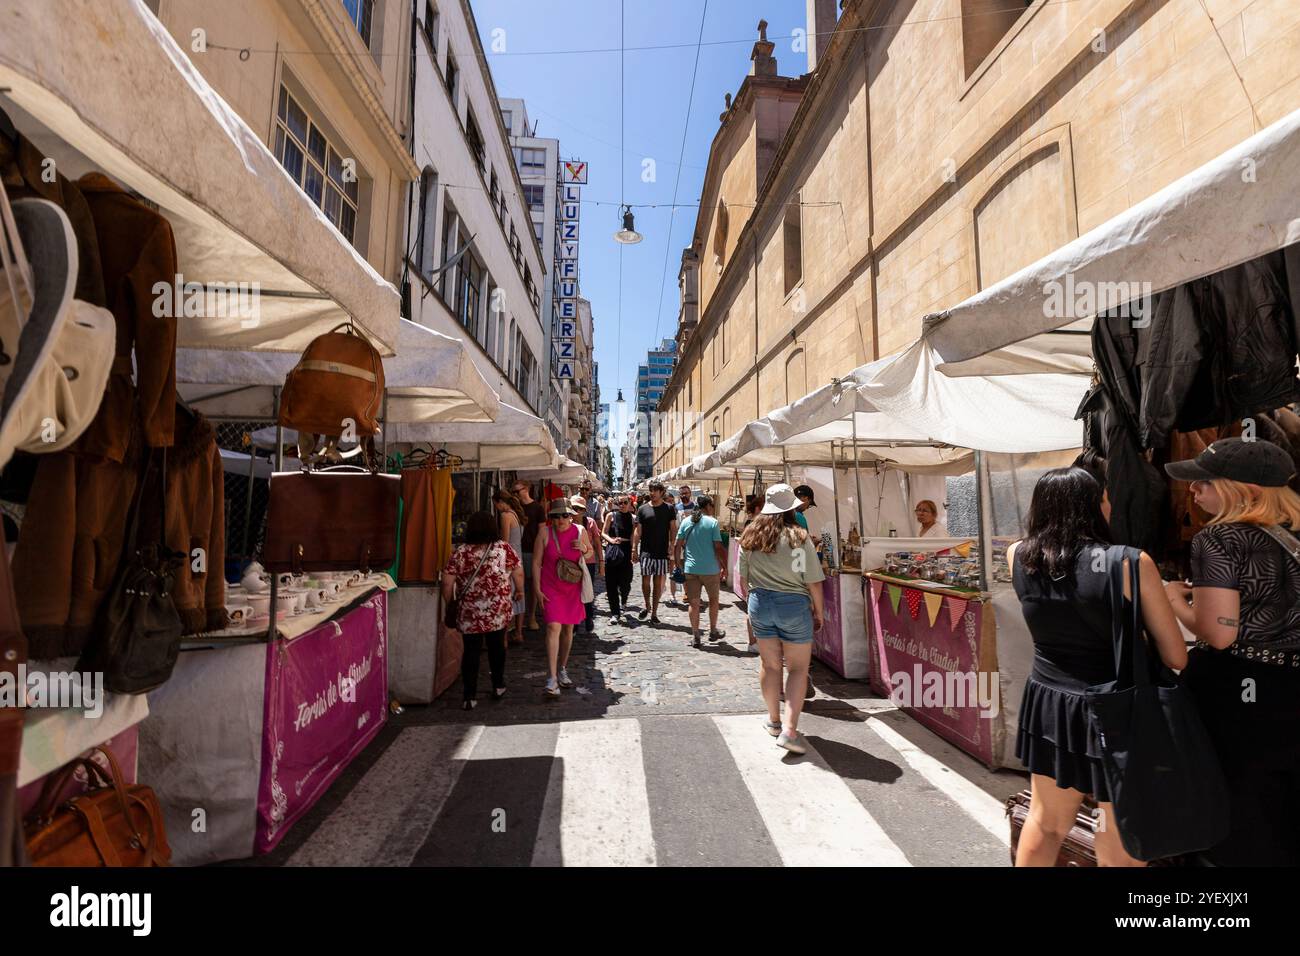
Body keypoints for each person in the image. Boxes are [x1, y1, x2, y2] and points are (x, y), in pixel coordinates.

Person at [1008, 466, 1187, 867]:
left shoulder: (1017, 555)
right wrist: (1173, 600)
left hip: (1051, 703)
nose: (1109, 504)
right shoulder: (1130, 563)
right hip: (1114, 710)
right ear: (1092, 506)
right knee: (1113, 822)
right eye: (1104, 497)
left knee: (1047, 821)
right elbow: (1177, 656)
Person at [1162, 438, 1300, 865]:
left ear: (1246, 490)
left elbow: (1220, 634)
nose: (1193, 490)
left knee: (1236, 807)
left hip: (1240, 688)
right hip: (1290, 686)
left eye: (1205, 482)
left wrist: (1175, 602)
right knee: (1285, 807)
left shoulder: (1220, 538)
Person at [738, 484, 826, 755]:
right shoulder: (799, 537)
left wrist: (753, 601)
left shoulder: (751, 534)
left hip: (760, 602)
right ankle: (789, 729)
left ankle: (774, 721)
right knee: (798, 668)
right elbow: (811, 580)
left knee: (770, 664)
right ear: (791, 508)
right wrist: (819, 612)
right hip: (793, 604)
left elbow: (743, 579)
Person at [442, 511, 523, 710]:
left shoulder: (461, 552)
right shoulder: (503, 549)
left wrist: (449, 601)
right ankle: (498, 684)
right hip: (497, 611)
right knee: (497, 649)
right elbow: (518, 573)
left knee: (471, 652)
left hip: (469, 612)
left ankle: (469, 696)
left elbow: (447, 583)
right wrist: (520, 591)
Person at [533, 499, 594, 697]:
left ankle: (562, 668)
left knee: (568, 629)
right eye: (556, 516)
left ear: (571, 515)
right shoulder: (544, 533)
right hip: (550, 586)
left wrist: (584, 549)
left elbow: (591, 552)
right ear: (551, 517)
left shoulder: (579, 531)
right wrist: (536, 589)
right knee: (553, 627)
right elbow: (535, 563)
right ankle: (551, 679)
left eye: (565, 515)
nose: (561, 519)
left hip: (572, 588)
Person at [675, 494, 727, 647]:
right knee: (713, 601)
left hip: (691, 569)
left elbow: (677, 545)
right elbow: (718, 547)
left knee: (694, 603)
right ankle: (712, 630)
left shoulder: (686, 521)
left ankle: (696, 635)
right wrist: (725, 565)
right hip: (710, 569)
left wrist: (678, 564)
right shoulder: (712, 522)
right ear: (708, 506)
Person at [631, 480, 677, 625]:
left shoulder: (669, 508)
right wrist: (634, 548)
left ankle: (655, 612)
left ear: (661, 492)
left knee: (658, 583)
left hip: (661, 551)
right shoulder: (642, 509)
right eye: (650, 490)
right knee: (645, 581)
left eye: (655, 490)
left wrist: (672, 544)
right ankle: (647, 605)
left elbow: (673, 528)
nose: (652, 493)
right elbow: (638, 530)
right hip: (646, 551)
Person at [492, 489, 527, 644]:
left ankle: (504, 637)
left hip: (508, 558)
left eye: (496, 505)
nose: (496, 508)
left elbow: (504, 541)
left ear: (500, 502)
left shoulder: (505, 516)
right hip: (518, 555)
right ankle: (519, 632)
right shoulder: (516, 514)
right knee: (519, 595)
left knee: (507, 595)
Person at [513, 479, 548, 631]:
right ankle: (517, 618)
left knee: (533, 585)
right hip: (516, 550)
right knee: (517, 586)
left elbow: (542, 530)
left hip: (532, 550)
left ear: (526, 489)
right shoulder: (514, 508)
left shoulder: (537, 508)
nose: (515, 494)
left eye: (517, 491)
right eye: (513, 492)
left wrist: (541, 549)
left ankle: (532, 616)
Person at [571, 495, 605, 634]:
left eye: (578, 509)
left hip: (588, 562)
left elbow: (597, 544)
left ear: (583, 510)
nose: (576, 511)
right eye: (573, 508)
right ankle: (575, 622)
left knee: (587, 592)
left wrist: (601, 563)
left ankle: (588, 617)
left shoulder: (590, 522)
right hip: (571, 563)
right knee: (574, 593)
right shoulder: (566, 523)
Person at [602, 495, 636, 624]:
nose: (622, 505)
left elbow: (634, 535)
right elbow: (603, 532)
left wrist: (634, 550)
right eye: (619, 503)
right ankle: (615, 613)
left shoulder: (633, 519)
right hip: (613, 551)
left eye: (625, 502)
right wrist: (611, 540)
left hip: (626, 551)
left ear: (630, 504)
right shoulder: (611, 516)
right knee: (611, 584)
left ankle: (624, 599)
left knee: (626, 582)